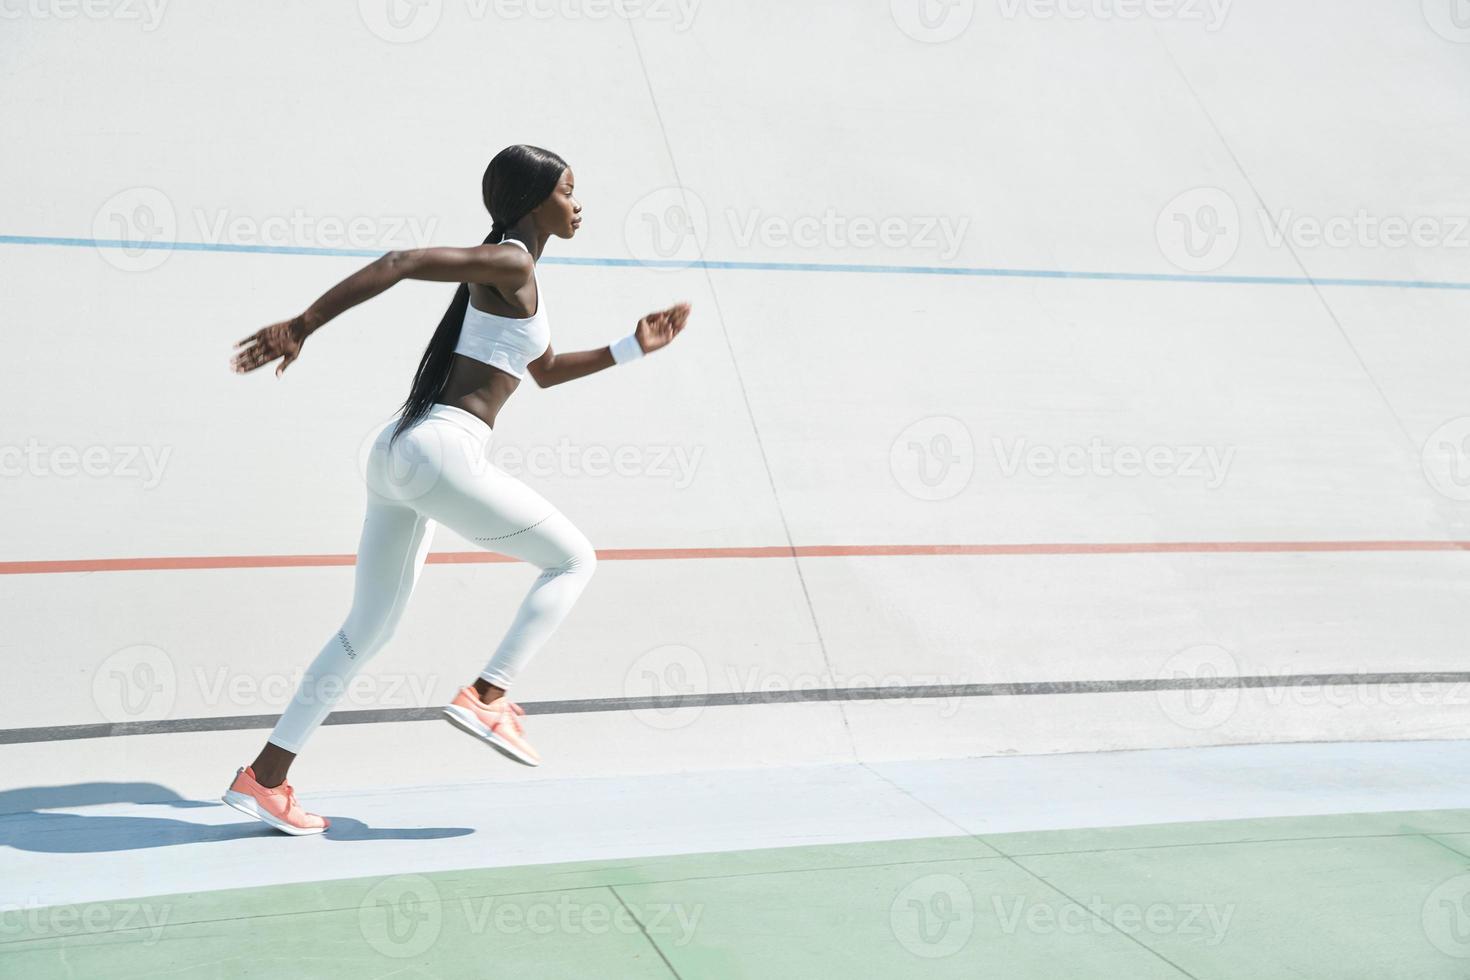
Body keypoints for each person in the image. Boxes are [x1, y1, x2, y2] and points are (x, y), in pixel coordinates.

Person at [220, 144, 691, 834]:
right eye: (567, 191)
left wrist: (631, 345)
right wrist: (302, 326)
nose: (577, 203)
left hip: (398, 452)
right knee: (573, 560)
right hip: (441, 450)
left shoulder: (511, 271)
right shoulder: (511, 260)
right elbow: (400, 262)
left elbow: (547, 370)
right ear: (534, 201)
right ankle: (487, 696)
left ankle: (265, 777)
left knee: (365, 631)